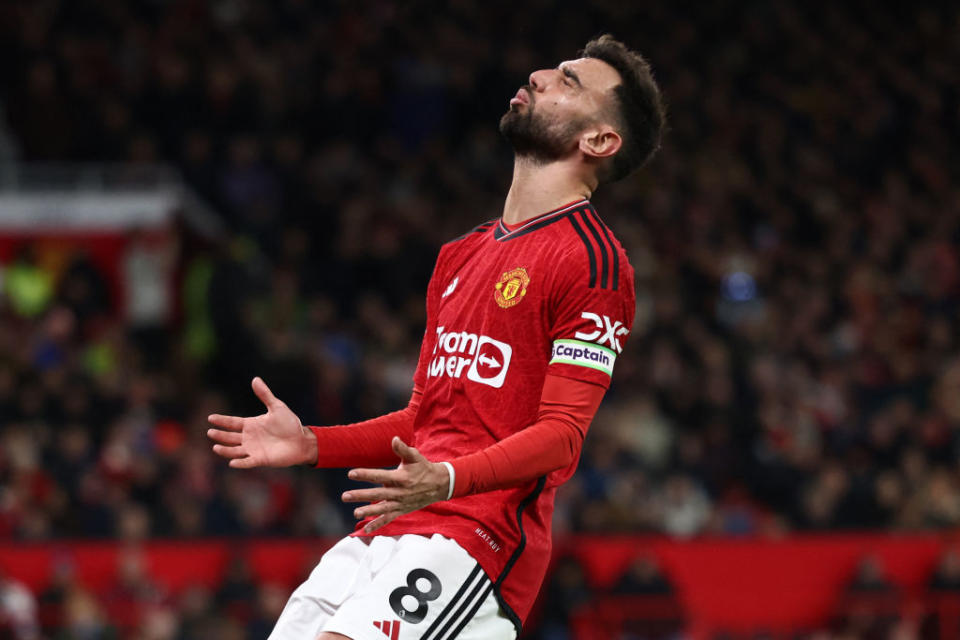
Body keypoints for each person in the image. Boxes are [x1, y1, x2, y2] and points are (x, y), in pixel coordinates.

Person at [207, 34, 664, 640]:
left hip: (481, 540)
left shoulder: (594, 263)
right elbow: (427, 420)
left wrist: (446, 480)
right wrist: (314, 443)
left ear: (599, 141)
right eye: (553, 69)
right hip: (392, 527)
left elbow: (562, 437)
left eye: (569, 81)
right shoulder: (460, 255)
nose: (539, 74)